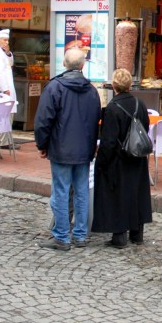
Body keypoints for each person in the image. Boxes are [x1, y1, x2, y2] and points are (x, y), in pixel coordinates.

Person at [35, 48, 101, 251]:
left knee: (61, 192)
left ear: (64, 64)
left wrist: (42, 144)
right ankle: (80, 235)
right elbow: (95, 120)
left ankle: (62, 236)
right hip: (83, 149)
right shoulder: (91, 90)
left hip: (61, 147)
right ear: (82, 65)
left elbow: (43, 120)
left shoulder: (55, 87)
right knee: (81, 191)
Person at [93, 68, 152, 248]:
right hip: (137, 155)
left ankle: (119, 236)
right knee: (136, 193)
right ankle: (137, 233)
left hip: (120, 159)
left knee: (119, 194)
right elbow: (145, 127)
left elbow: (108, 141)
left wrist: (101, 162)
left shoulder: (112, 108)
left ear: (114, 86)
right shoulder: (139, 104)